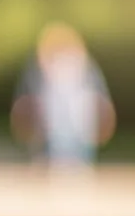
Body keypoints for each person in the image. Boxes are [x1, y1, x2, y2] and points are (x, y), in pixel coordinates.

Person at [10, 22, 116, 178]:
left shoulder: (85, 67)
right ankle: (56, 164)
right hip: (56, 122)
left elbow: (98, 92)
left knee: (74, 139)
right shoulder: (41, 69)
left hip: (77, 120)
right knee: (57, 137)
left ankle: (74, 166)